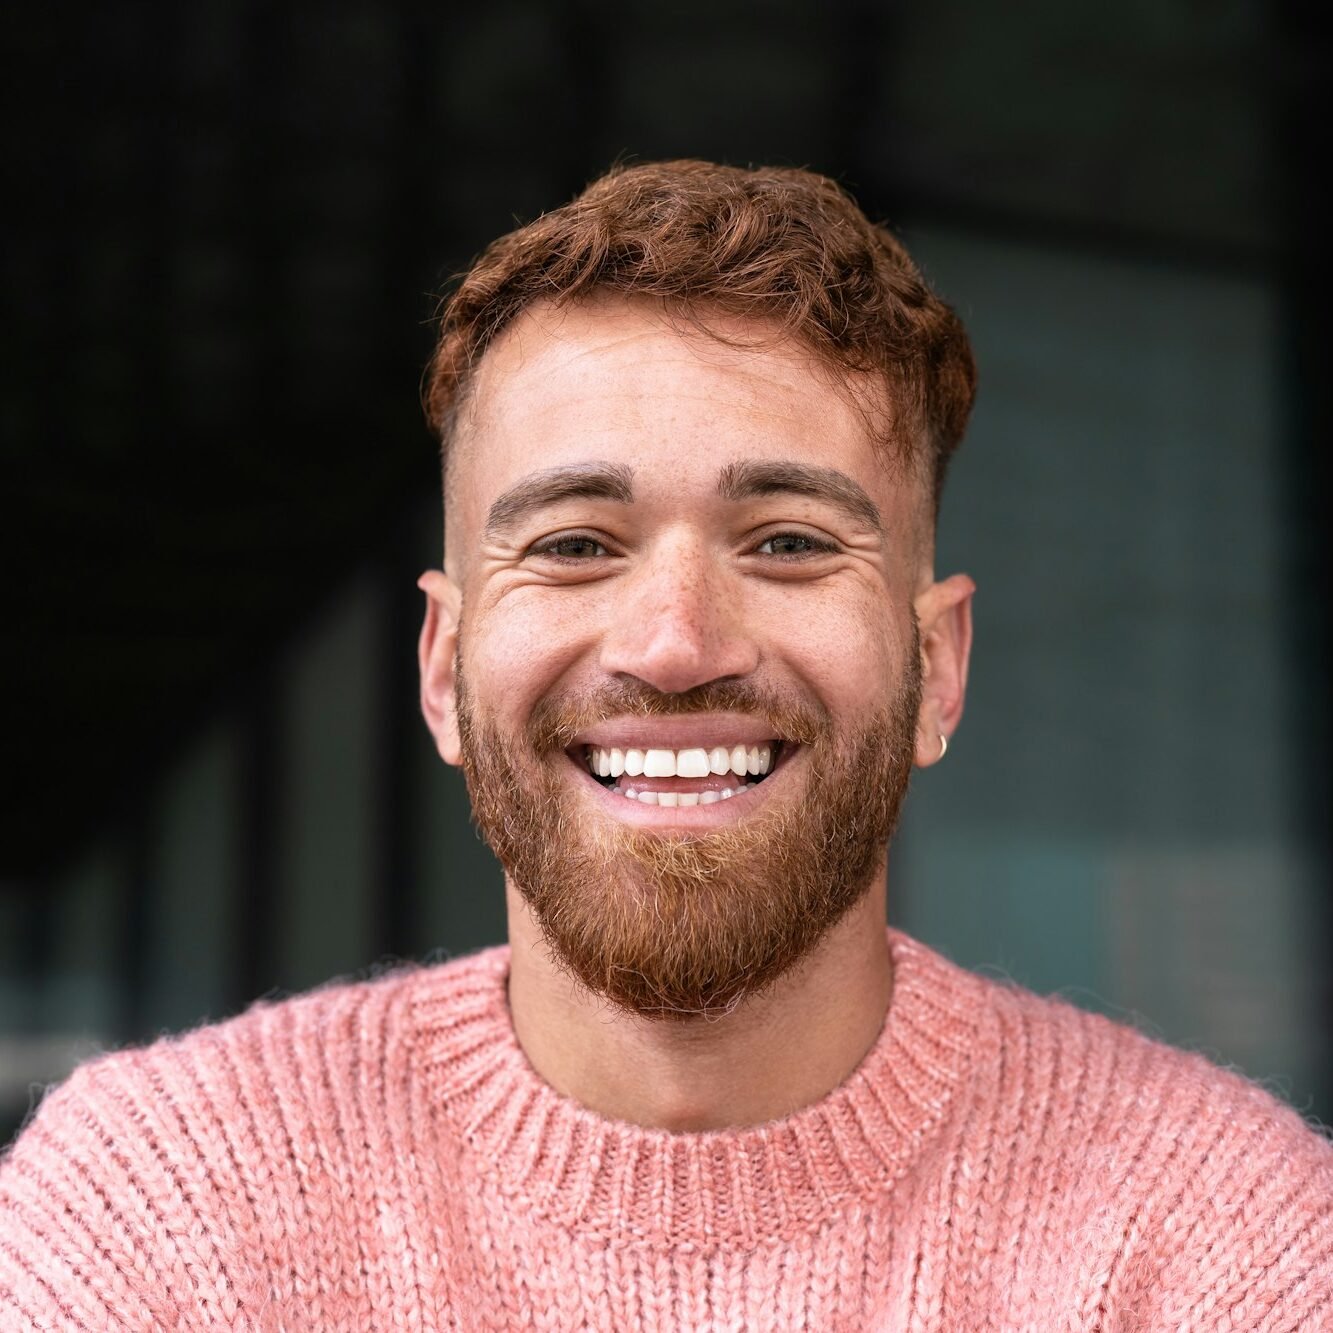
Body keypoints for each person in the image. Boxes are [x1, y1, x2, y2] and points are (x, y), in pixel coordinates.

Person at [2, 160, 1330, 1331]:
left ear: (939, 666)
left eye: (789, 543)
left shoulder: (1223, 1244)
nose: (676, 640)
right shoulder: (151, 1215)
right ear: (439, 671)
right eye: (576, 544)